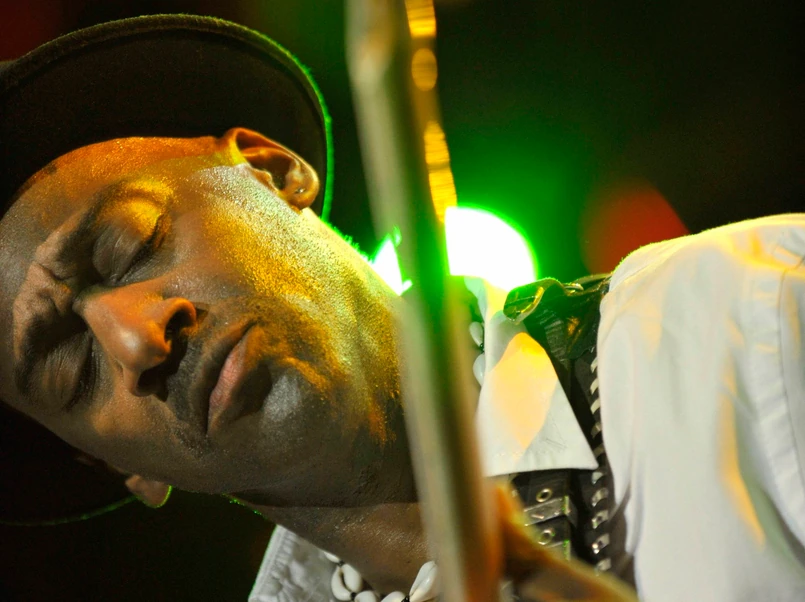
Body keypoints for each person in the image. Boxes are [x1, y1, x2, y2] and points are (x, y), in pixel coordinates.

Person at [0, 14, 803, 602]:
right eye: (70, 368)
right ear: (124, 472)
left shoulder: (751, 318)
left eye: (132, 243)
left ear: (273, 173)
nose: (137, 338)